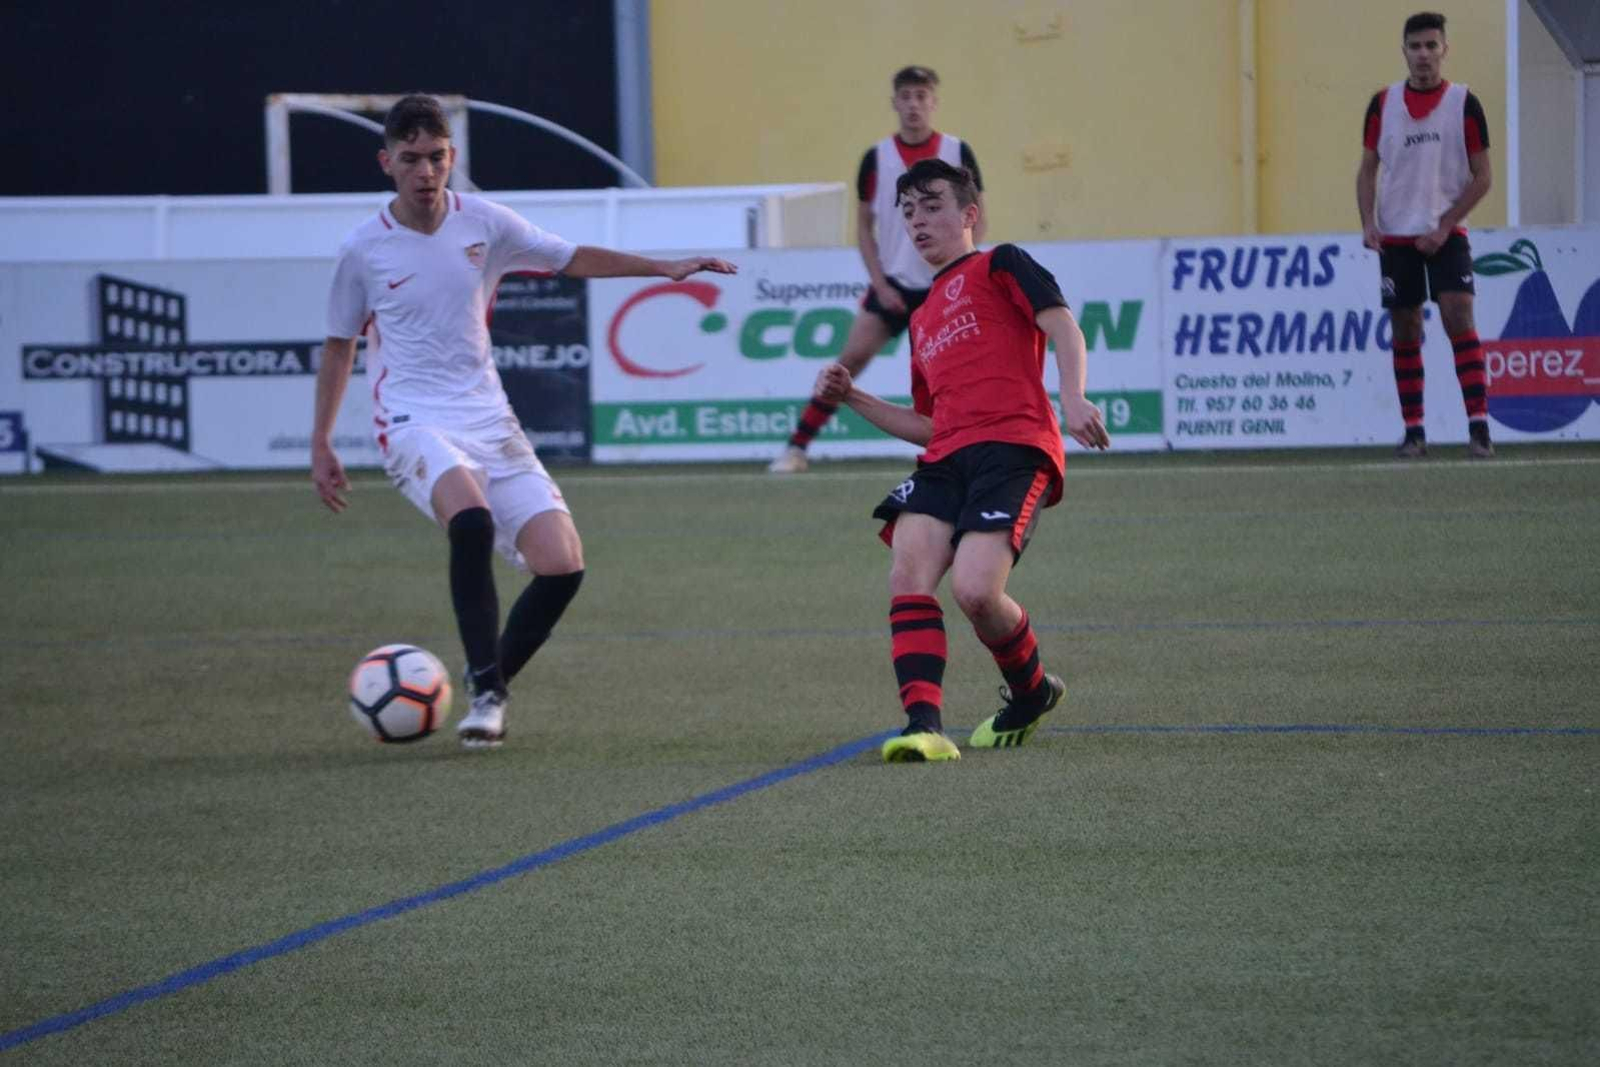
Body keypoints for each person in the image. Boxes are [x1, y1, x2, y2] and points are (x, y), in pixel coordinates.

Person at [311, 94, 736, 748]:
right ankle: (488, 689)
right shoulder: (363, 249)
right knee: (473, 522)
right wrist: (321, 441)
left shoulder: (485, 222)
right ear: (386, 162)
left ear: (452, 158)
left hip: (489, 417)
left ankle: (486, 677)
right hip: (412, 419)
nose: (426, 172)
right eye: (411, 159)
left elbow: (571, 257)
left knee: (562, 565)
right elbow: (340, 343)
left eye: (436, 157)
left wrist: (664, 267)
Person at [813, 159, 1110, 763]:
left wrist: (1073, 396)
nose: (918, 222)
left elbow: (1063, 326)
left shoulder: (1001, 264)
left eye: (932, 207)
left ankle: (1031, 692)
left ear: (969, 214)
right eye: (908, 212)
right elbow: (929, 425)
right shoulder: (920, 318)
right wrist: (854, 397)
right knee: (907, 576)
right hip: (946, 459)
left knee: (977, 591)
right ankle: (923, 723)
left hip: (1013, 449)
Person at [768, 65, 985, 474]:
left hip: (947, 284)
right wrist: (879, 281)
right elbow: (864, 226)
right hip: (895, 285)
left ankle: (963, 446)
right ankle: (796, 448)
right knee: (848, 362)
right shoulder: (877, 158)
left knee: (952, 372)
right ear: (895, 103)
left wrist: (966, 269)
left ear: (934, 102)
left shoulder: (957, 152)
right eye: (906, 96)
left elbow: (978, 215)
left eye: (922, 96)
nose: (914, 105)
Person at [1356, 11, 1494, 459]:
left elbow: (1482, 177)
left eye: (1431, 46)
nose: (1423, 55)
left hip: (1446, 233)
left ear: (1444, 50)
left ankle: (1479, 428)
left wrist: (1445, 225)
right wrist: (1367, 223)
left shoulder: (1465, 103)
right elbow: (1367, 168)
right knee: (1405, 326)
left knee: (1459, 316)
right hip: (1397, 235)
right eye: (1415, 46)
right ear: (1404, 51)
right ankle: (1414, 431)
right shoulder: (1382, 104)